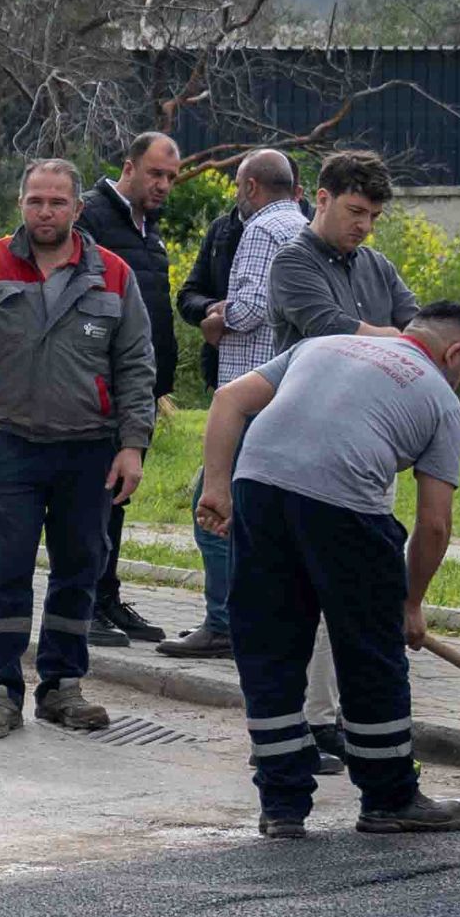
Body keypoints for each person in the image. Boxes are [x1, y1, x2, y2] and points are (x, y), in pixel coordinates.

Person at [193, 307, 460, 841]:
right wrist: (409, 605)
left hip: (258, 489)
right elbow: (436, 525)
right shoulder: (441, 399)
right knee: (369, 654)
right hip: (346, 507)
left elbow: (228, 400)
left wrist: (215, 487)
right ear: (454, 354)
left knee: (270, 649)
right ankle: (389, 798)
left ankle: (282, 804)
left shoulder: (321, 344)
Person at [0, 159, 155, 740]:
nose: (45, 212)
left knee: (79, 569)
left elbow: (135, 367)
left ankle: (62, 688)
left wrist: (133, 446)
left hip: (89, 451)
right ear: (20, 204)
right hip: (14, 448)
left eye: (56, 202)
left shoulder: (115, 275)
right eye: (34, 201)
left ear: (77, 209)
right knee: (5, 570)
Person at [158, 149, 305, 661]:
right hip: (292, 389)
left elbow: (249, 308)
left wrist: (217, 316)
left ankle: (223, 622)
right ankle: (270, 620)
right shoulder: (302, 225)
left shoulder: (260, 230)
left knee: (213, 502)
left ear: (249, 188)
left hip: (250, 392)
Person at [72, 132, 184, 645]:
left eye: (171, 178)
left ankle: (107, 593)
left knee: (118, 496)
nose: (163, 185)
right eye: (155, 174)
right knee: (89, 498)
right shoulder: (91, 217)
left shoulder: (149, 230)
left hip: (139, 389)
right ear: (129, 167)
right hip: (95, 387)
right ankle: (81, 602)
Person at [258, 149, 420, 355]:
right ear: (323, 200)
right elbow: (331, 330)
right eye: (356, 212)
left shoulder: (378, 265)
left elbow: (418, 325)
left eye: (374, 216)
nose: (365, 226)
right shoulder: (290, 262)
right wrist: (397, 338)